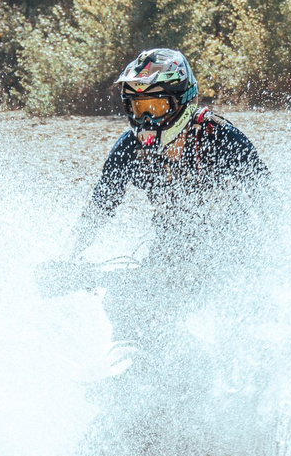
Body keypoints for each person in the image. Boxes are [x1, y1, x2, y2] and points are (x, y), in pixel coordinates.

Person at [44, 49, 267, 310]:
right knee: (121, 303)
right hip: (168, 252)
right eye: (139, 108)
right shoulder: (129, 148)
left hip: (232, 252)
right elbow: (99, 209)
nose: (146, 120)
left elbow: (269, 202)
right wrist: (66, 259)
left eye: (156, 107)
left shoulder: (222, 138)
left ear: (182, 101)